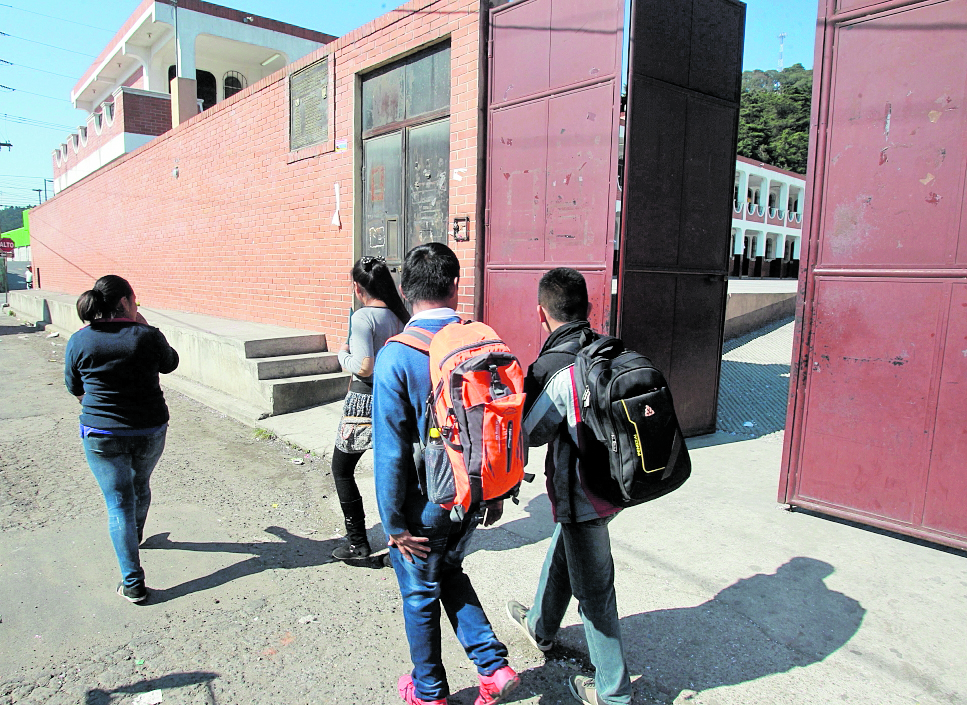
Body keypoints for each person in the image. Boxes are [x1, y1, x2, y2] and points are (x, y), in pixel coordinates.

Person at [372, 242, 519, 705]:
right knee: (448, 567)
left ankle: (430, 692)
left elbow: (391, 455)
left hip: (425, 503)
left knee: (419, 591)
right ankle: (494, 667)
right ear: (457, 286)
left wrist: (393, 524)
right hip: (473, 492)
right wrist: (492, 491)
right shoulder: (481, 341)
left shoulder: (397, 356)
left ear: (403, 290)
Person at [507, 267, 632, 705]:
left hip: (582, 491)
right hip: (616, 482)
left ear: (541, 314)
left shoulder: (552, 366)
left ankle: (613, 692)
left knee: (595, 592)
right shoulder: (606, 348)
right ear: (589, 308)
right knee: (569, 544)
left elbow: (535, 431)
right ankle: (541, 625)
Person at [65, 275, 179, 603]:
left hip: (101, 434)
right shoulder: (147, 335)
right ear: (127, 302)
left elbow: (74, 387)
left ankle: (133, 583)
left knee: (118, 504)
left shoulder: (80, 339)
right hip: (149, 430)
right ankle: (137, 533)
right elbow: (170, 364)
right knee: (140, 484)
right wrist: (145, 325)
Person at [331, 255, 409, 561]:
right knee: (396, 473)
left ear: (358, 287)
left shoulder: (363, 318)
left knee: (342, 469)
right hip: (397, 399)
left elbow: (364, 366)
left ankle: (358, 543)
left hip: (364, 402)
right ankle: (400, 543)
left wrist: (342, 355)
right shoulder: (400, 315)